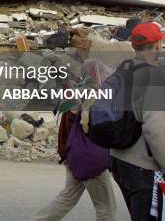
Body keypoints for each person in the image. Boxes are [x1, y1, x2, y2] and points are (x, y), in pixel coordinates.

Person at [110, 22, 165, 220]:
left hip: (118, 160)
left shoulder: (121, 72)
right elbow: (156, 129)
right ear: (158, 45)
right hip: (144, 167)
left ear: (133, 46)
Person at [34, 59, 116, 221]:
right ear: (96, 74)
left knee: (67, 198)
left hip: (73, 154)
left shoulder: (75, 94)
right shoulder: (93, 96)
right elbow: (93, 127)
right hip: (90, 158)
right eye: (105, 73)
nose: (107, 77)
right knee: (107, 208)